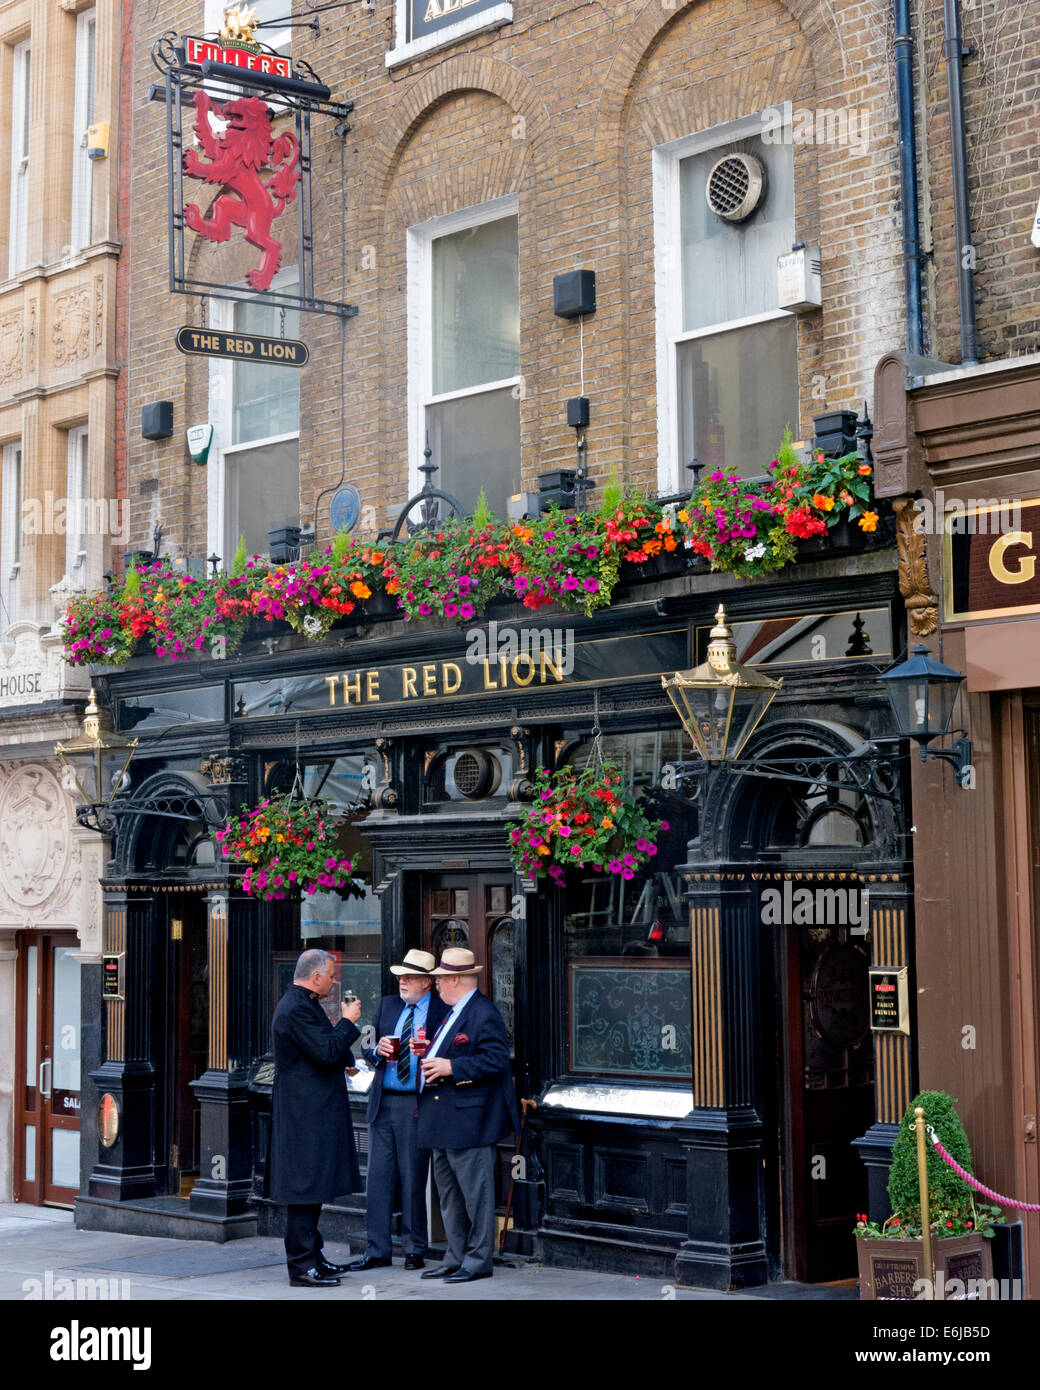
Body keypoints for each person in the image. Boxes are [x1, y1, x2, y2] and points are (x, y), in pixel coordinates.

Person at [417, 947, 520, 1285]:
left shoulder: (482, 1012)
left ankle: (477, 1260)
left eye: (440, 980)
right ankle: (455, 1255)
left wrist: (451, 1066)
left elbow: (496, 1060)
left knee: (475, 1195)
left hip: (470, 1120)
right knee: (450, 1195)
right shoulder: (450, 1012)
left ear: (456, 979)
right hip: (443, 1117)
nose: (436, 987)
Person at [349, 948, 449, 1272]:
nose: (402, 982)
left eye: (409, 977)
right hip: (384, 1100)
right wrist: (376, 1050)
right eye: (401, 977)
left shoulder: (440, 1010)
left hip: (416, 1103)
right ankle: (377, 1248)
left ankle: (414, 1248)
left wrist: (429, 1051)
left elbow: (448, 1051)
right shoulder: (389, 1005)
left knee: (412, 1177)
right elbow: (368, 1049)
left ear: (427, 982)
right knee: (377, 1179)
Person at [268, 948, 363, 1288]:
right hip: (303, 1113)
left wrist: (346, 1058)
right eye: (332, 975)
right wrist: (349, 1022)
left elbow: (324, 1046)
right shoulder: (296, 1007)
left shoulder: (305, 1003)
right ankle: (301, 1265)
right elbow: (324, 1050)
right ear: (317, 976)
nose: (335, 981)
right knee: (304, 1188)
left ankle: (314, 1256)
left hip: (314, 1110)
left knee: (315, 1186)